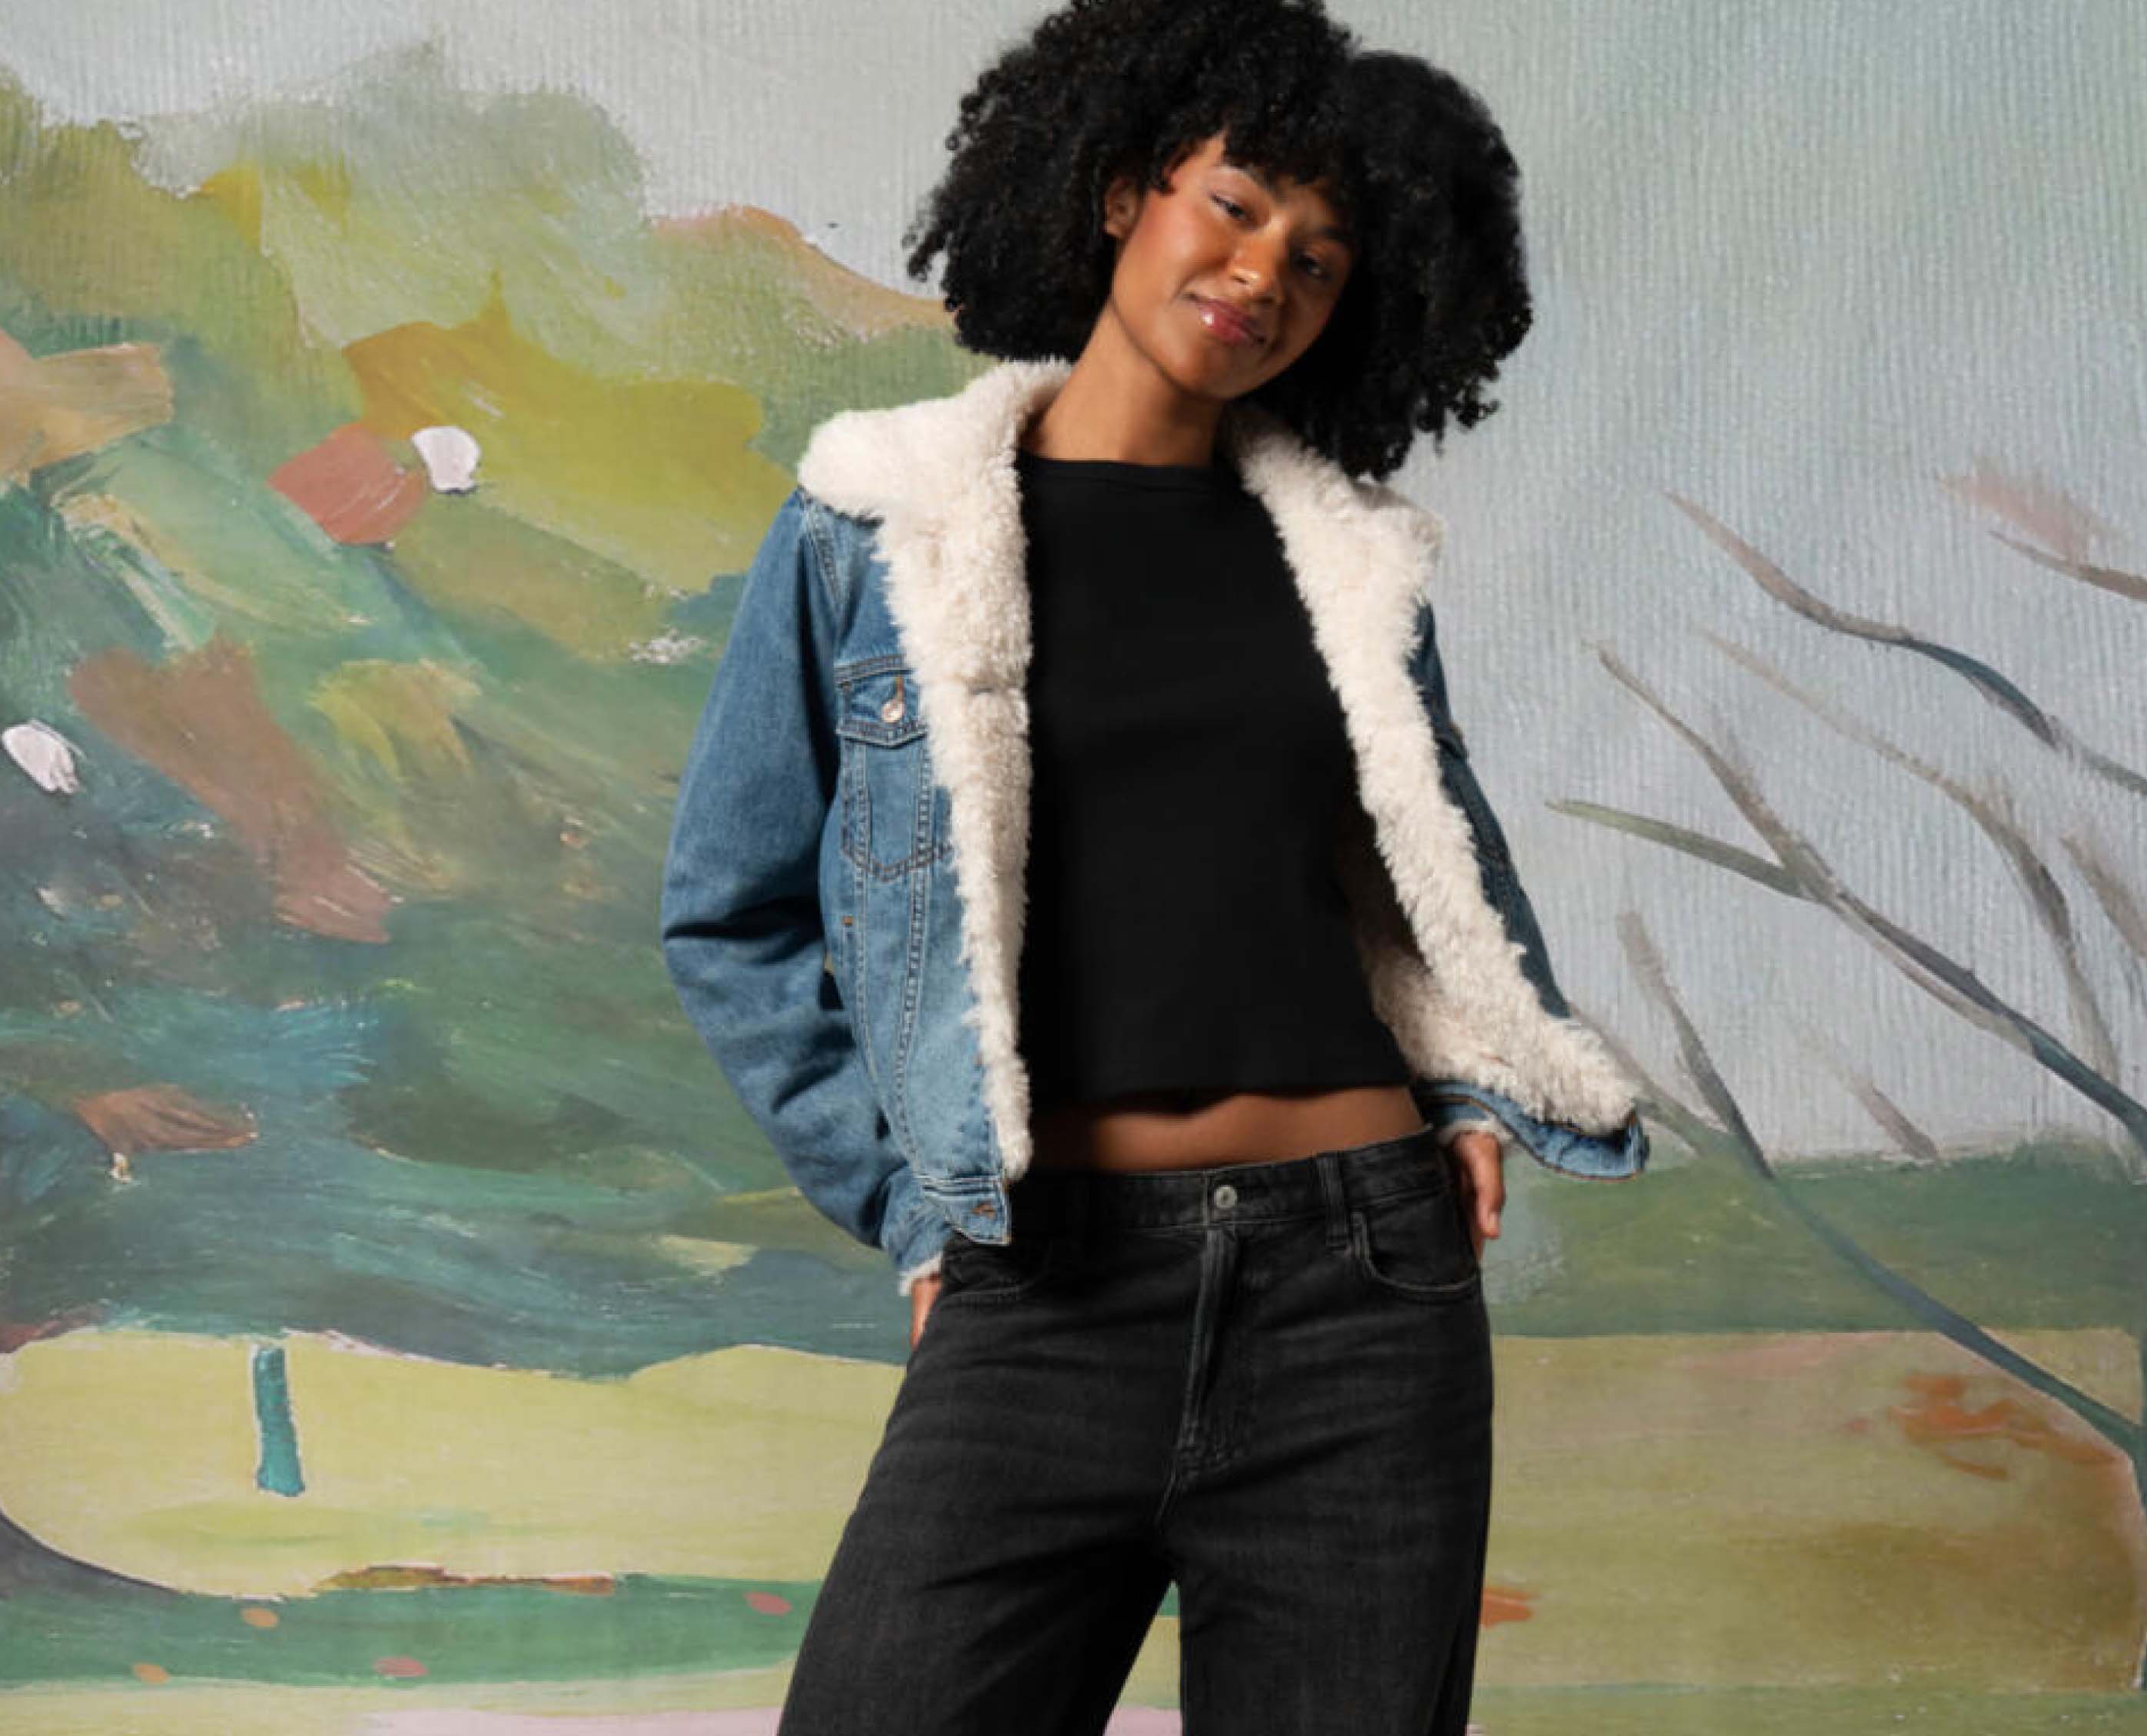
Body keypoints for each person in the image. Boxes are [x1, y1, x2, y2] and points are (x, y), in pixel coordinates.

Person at [658, 0, 1648, 1728]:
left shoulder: (1347, 564)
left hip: (1363, 1290)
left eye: (1321, 259)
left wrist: (1471, 1087)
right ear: (1122, 192)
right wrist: (909, 1202)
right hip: (1041, 1277)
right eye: (1237, 206)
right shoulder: (871, 532)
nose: (1266, 272)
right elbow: (728, 913)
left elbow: (1421, 878)